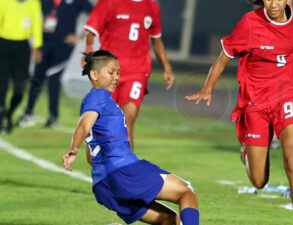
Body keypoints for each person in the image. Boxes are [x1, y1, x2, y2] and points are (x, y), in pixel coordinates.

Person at [185, 0, 293, 224]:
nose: (273, 4)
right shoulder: (249, 24)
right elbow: (223, 59)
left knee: (292, 160)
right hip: (256, 103)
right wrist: (207, 89)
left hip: (287, 96)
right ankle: (248, 150)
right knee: (259, 180)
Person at [62, 50, 199, 225]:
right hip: (124, 172)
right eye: (111, 72)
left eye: (118, 72)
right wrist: (73, 150)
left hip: (104, 185)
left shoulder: (92, 102)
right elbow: (84, 125)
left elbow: (91, 154)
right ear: (94, 74)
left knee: (169, 220)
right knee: (186, 192)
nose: (116, 77)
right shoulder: (99, 96)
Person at [83, 0, 175, 150]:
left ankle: (125, 170)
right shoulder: (109, 2)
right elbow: (91, 29)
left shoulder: (152, 6)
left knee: (127, 120)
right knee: (101, 123)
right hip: (108, 71)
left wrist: (167, 67)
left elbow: (156, 41)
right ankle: (100, 167)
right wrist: (88, 49)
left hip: (137, 71)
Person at [18, 0, 93, 128]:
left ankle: (53, 117)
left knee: (54, 79)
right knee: (37, 77)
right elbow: (32, 15)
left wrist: (80, 36)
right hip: (44, 42)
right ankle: (28, 113)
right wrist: (35, 44)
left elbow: (94, 15)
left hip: (63, 45)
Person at [0, 0, 42, 133]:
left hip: (22, 48)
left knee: (20, 88)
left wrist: (36, 47)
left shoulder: (34, 3)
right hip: (3, 45)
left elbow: (37, 24)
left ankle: (9, 113)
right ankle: (1, 118)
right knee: (2, 87)